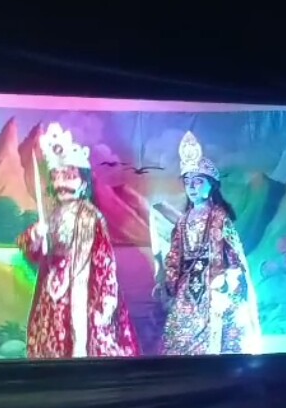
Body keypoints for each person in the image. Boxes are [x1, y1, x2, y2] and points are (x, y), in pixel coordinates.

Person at [17, 123, 139, 358]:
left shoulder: (91, 217)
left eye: (69, 177)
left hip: (84, 296)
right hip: (52, 295)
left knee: (83, 347)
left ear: (83, 183)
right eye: (56, 177)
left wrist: (104, 303)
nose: (61, 184)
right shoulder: (52, 215)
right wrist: (36, 237)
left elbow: (104, 264)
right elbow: (30, 251)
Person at [159, 131, 262, 355]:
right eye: (188, 182)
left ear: (211, 185)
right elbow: (175, 256)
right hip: (187, 292)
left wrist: (228, 281)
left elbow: (235, 258)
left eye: (198, 181)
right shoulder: (183, 221)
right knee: (180, 342)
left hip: (216, 288)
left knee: (218, 344)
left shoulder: (220, 218)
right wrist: (169, 282)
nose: (192, 187)